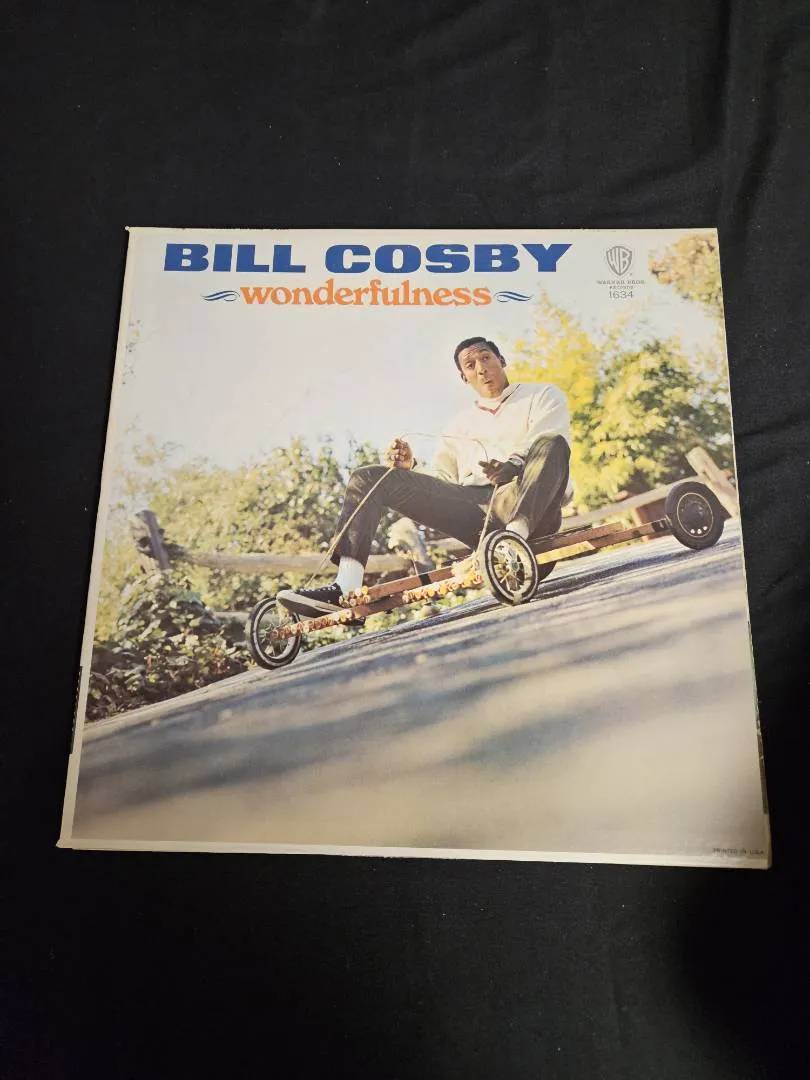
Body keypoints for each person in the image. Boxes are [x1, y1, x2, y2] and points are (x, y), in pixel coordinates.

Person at [277, 337, 572, 616]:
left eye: (486, 358)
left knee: (552, 443)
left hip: (528, 506)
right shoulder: (457, 425)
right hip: (477, 515)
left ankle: (512, 543)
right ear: (464, 377)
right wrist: (411, 466)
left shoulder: (542, 395)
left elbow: (548, 442)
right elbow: (443, 480)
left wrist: (513, 464)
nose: (481, 368)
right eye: (471, 365)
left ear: (502, 360)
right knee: (366, 478)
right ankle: (345, 586)